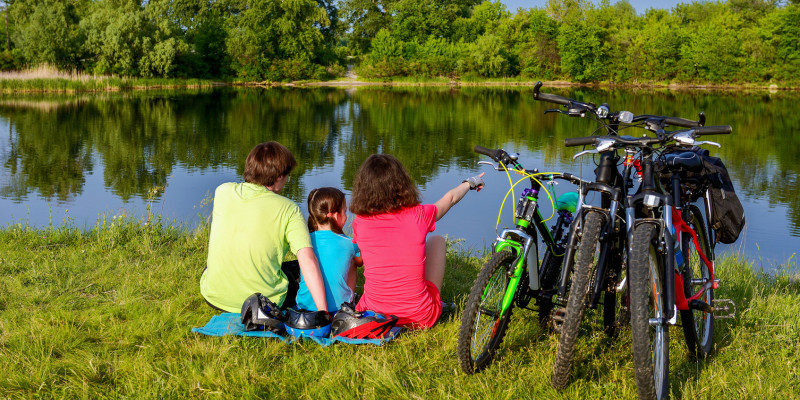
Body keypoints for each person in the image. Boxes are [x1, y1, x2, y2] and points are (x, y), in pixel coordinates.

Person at [349, 154, 484, 329]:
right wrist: (469, 183)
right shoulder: (419, 215)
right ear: (401, 183)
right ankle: (435, 302)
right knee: (437, 240)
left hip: (374, 314)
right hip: (420, 317)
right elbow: (450, 198)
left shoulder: (360, 222)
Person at [200, 142, 327, 313]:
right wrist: (323, 313)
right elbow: (307, 260)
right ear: (279, 176)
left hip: (214, 297)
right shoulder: (289, 209)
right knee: (306, 268)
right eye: (287, 175)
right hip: (265, 303)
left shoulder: (222, 191)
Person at [295, 187, 363, 313]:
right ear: (336, 216)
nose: (347, 216)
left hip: (304, 307)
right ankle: (349, 301)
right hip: (338, 309)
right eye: (344, 212)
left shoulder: (305, 241)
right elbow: (360, 262)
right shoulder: (350, 243)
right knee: (353, 262)